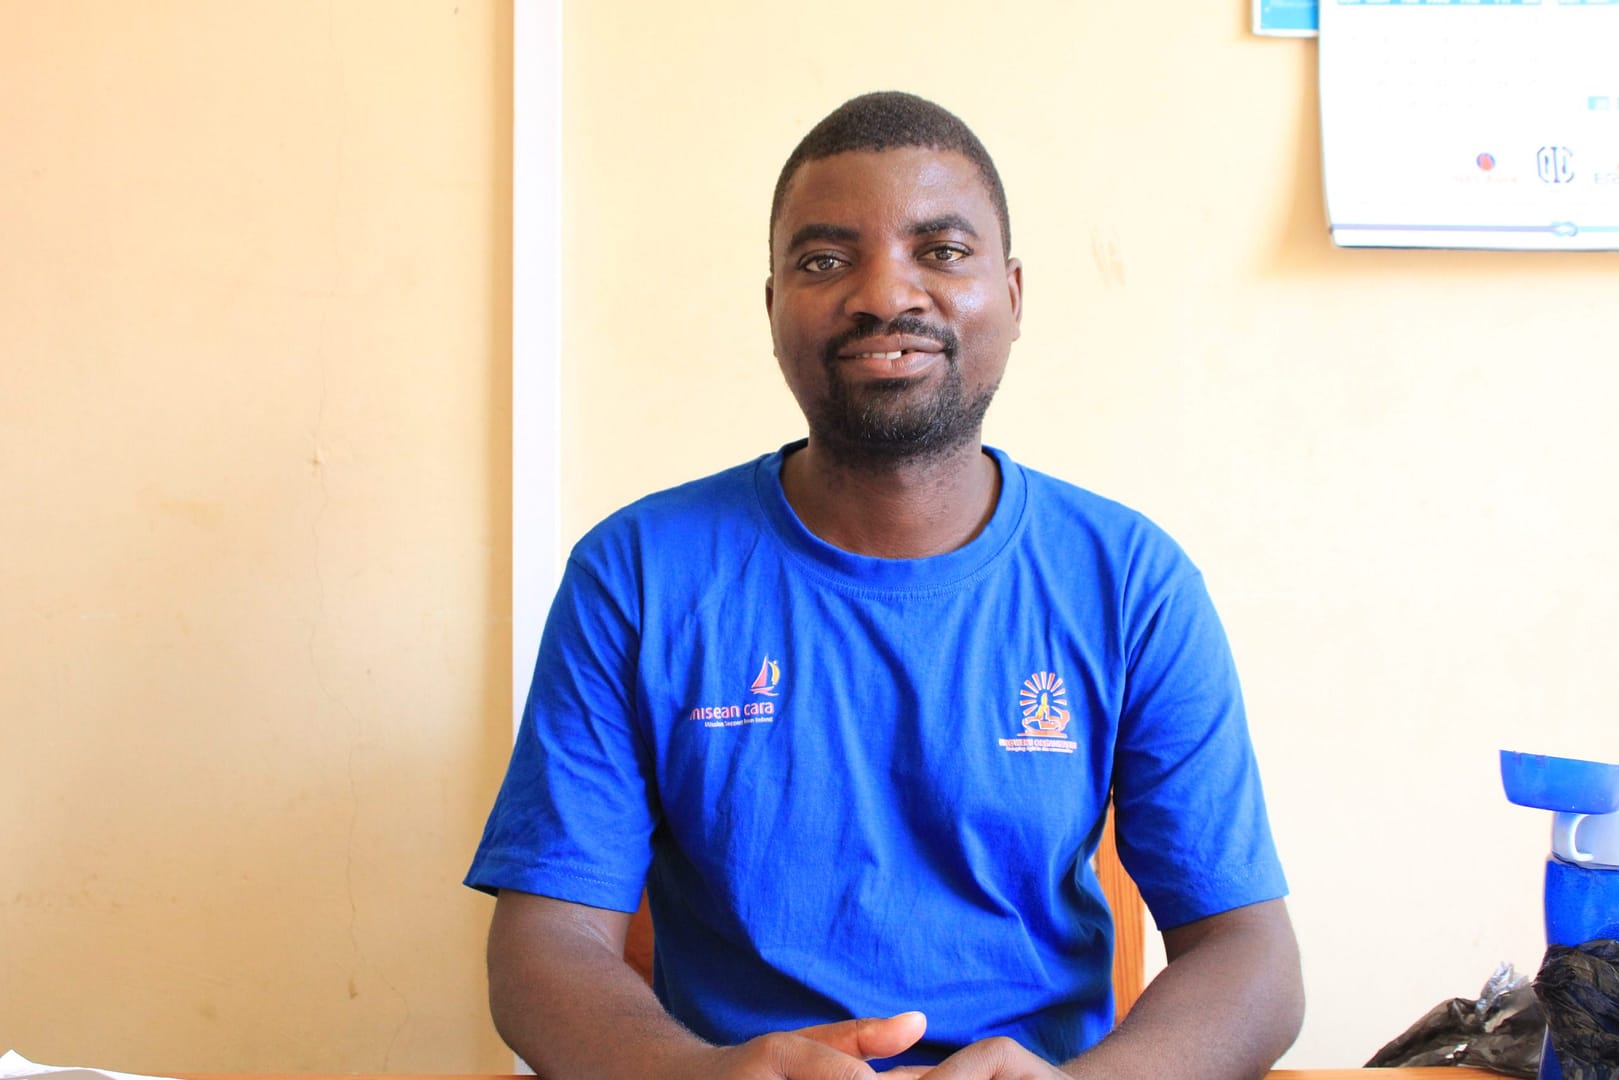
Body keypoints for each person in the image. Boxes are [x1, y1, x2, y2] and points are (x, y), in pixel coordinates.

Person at [466, 90, 1304, 1079]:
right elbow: (546, 945)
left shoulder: (1128, 580)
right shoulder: (637, 575)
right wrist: (702, 1076)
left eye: (939, 250)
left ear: (1013, 295)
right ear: (771, 305)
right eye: (825, 261)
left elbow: (1248, 955)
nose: (882, 295)